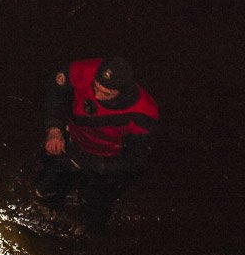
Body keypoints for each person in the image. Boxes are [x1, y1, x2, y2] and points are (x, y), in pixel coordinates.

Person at [34, 55, 159, 231]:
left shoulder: (143, 115)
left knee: (95, 209)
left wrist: (91, 164)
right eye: (95, 87)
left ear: (121, 91)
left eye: (105, 93)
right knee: (46, 187)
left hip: (107, 160)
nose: (97, 95)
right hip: (73, 141)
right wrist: (54, 129)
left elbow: (134, 161)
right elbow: (56, 91)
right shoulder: (85, 71)